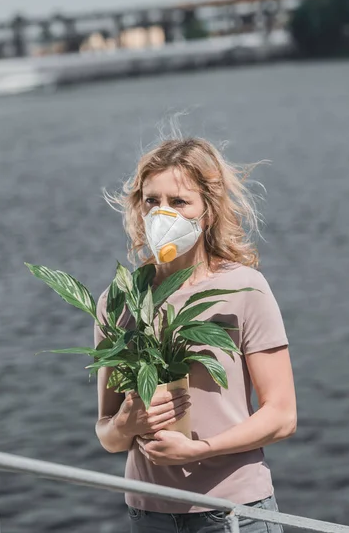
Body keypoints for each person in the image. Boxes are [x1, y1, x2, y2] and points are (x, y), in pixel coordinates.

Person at [94, 135, 297, 533]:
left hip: (234, 512)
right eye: (152, 201)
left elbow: (282, 416)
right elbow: (107, 435)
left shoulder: (244, 288)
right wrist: (125, 423)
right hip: (148, 515)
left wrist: (199, 449)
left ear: (207, 212)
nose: (162, 214)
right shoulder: (117, 301)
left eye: (179, 202)